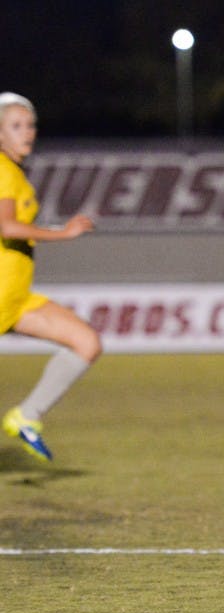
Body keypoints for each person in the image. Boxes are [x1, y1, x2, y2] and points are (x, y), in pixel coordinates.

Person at [0, 92, 101, 461]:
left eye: (30, 125)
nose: (27, 132)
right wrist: (63, 233)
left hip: (15, 299)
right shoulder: (2, 169)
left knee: (86, 342)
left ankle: (26, 417)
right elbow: (7, 226)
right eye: (16, 125)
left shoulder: (15, 173)